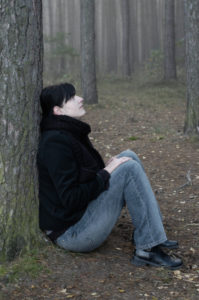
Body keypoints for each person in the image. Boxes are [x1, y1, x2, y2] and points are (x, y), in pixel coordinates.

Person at [37, 82, 182, 270]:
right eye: (72, 98)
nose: (80, 99)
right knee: (128, 168)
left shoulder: (68, 132)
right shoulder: (55, 143)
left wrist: (106, 170)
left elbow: (81, 176)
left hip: (80, 217)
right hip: (72, 233)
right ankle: (148, 249)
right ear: (58, 110)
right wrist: (106, 172)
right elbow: (71, 198)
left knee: (128, 156)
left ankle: (152, 233)